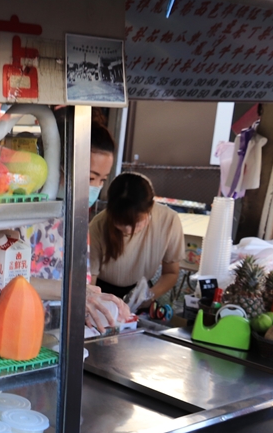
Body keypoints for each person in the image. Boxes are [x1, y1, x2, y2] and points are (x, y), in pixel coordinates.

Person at [26, 121, 129, 329]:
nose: (96, 187)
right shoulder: (24, 209)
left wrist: (100, 304)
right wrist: (75, 292)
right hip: (20, 326)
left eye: (102, 180)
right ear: (60, 165)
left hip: (58, 334)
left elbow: (82, 282)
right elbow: (7, 279)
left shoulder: (76, 217)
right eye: (91, 177)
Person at [89, 172, 184, 306]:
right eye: (120, 223)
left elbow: (171, 272)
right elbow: (90, 281)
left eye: (136, 223)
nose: (128, 230)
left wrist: (148, 296)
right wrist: (95, 303)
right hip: (103, 294)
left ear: (150, 208)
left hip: (141, 293)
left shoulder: (168, 221)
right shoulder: (98, 225)